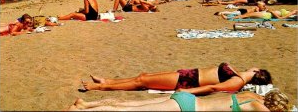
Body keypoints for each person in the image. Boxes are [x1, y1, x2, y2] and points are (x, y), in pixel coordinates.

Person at [81, 62, 272, 95]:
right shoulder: (241, 74)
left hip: (188, 82)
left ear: (257, 73)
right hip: (189, 74)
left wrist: (187, 91)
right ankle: (108, 81)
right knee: (143, 76)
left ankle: (100, 88)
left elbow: (213, 88)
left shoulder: (239, 81)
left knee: (143, 82)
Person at [67, 89, 290, 111]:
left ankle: (86, 104)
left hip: (185, 98)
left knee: (130, 104)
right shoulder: (258, 107)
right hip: (187, 107)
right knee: (129, 110)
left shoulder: (251, 95)